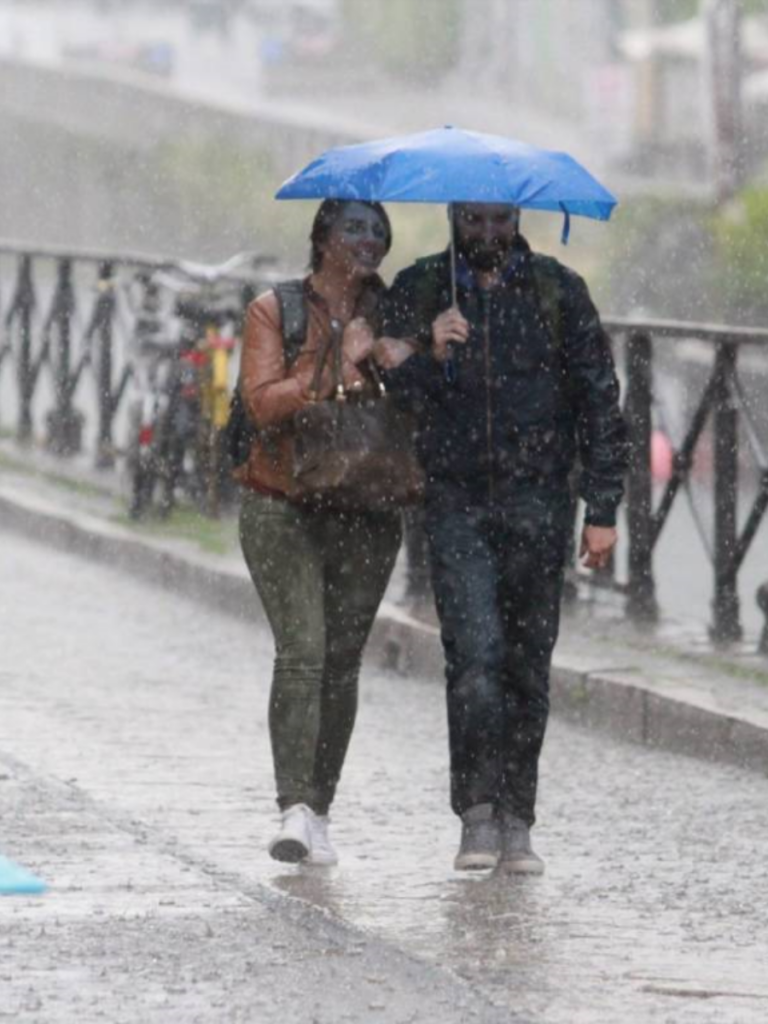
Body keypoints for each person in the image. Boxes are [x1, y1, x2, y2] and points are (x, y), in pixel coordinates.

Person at [374, 203, 629, 874]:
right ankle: (477, 815)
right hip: (455, 500)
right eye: (474, 221)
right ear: (455, 217)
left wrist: (602, 507)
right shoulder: (423, 288)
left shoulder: (557, 290)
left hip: (540, 503)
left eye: (499, 220)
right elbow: (390, 390)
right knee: (475, 656)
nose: (487, 234)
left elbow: (600, 399)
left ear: (517, 217)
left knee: (526, 663)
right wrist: (430, 351)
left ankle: (519, 817)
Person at [236, 200, 402, 866]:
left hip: (365, 506)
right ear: (322, 240)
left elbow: (426, 405)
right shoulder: (275, 311)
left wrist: (416, 353)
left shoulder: (399, 310)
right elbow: (262, 402)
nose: (366, 242)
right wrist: (337, 365)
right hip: (282, 502)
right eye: (352, 230)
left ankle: (321, 805)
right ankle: (294, 807)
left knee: (341, 660)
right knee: (303, 649)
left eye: (377, 232)